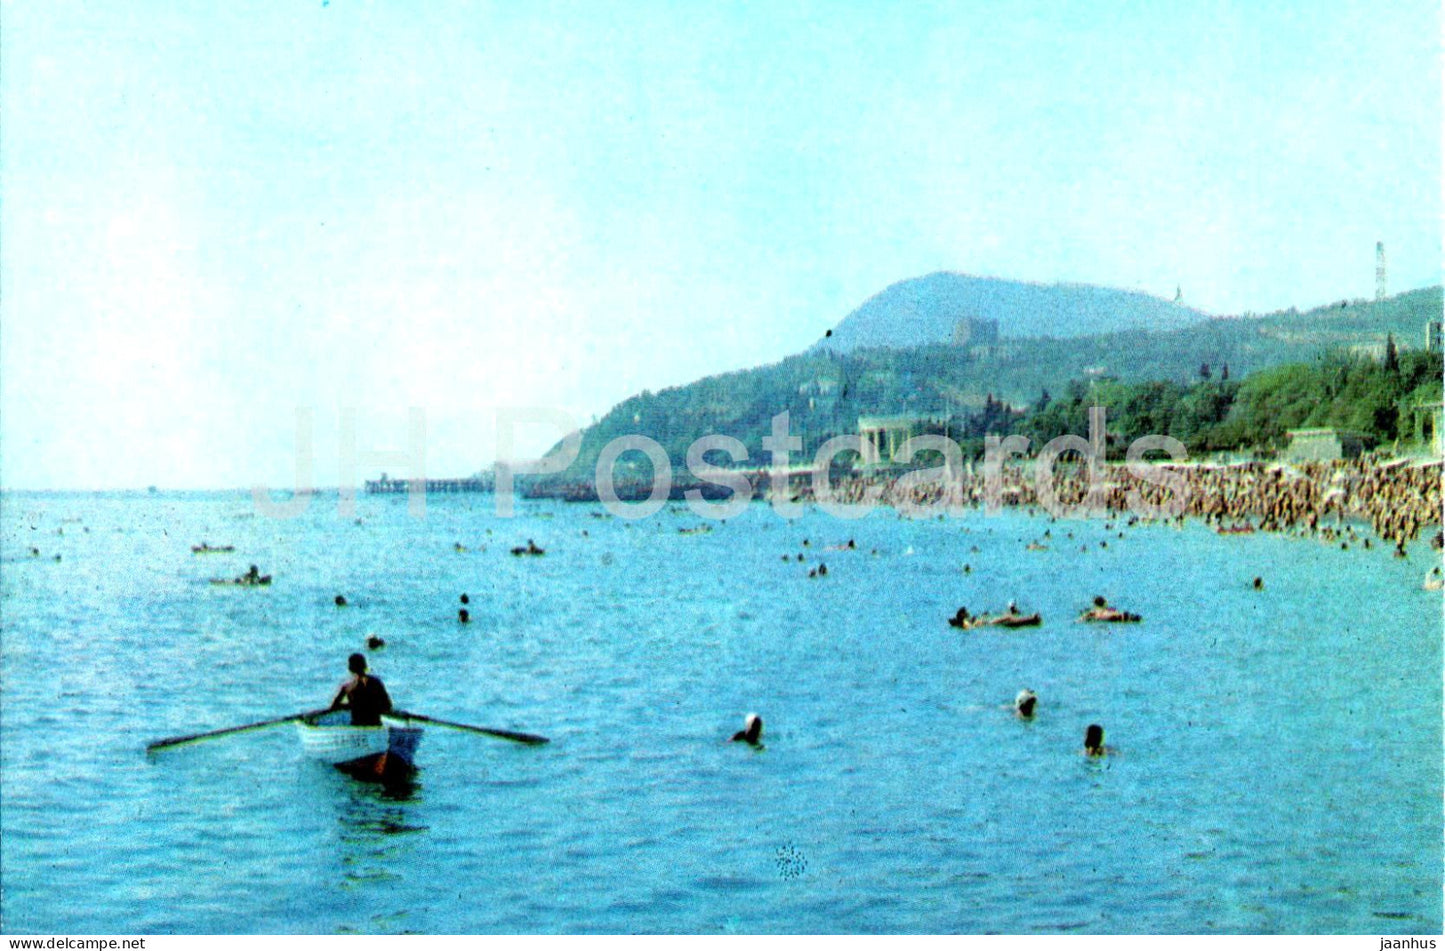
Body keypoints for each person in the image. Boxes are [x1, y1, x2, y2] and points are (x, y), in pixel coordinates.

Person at [331, 653, 393, 726]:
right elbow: (387, 705)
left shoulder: (348, 686)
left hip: (357, 724)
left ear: (350, 668)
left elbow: (335, 706)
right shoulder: (376, 682)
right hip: (375, 724)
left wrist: (351, 706)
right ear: (365, 666)